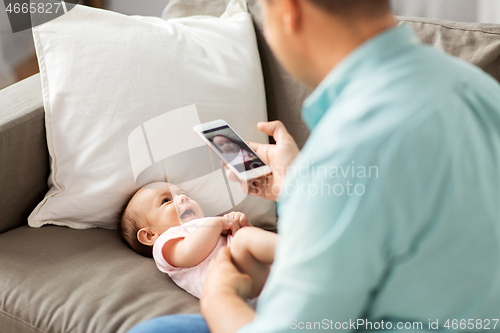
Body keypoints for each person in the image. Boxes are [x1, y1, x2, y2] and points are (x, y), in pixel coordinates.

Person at [128, 0, 500, 332]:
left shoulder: (352, 144)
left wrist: (219, 296)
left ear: (289, 10)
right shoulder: (478, 89)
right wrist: (297, 186)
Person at [118, 182, 277, 299]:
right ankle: (297, 247)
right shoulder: (165, 241)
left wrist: (242, 225)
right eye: (166, 201)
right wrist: (218, 223)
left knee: (245, 236)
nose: (182, 198)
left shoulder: (207, 224)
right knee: (243, 239)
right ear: (150, 235)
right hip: (234, 286)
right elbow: (189, 253)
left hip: (263, 273)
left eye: (182, 194)